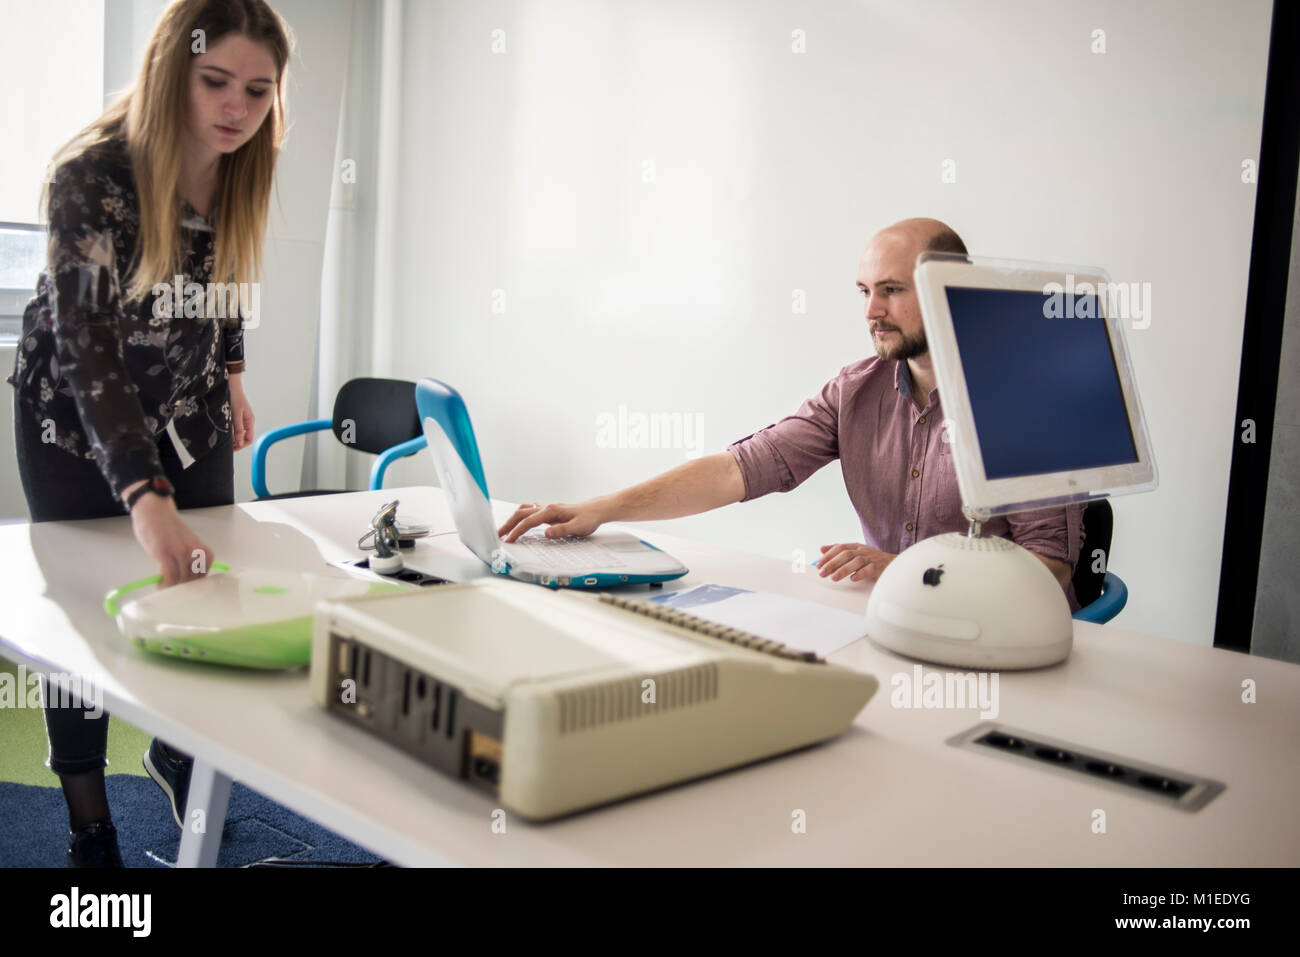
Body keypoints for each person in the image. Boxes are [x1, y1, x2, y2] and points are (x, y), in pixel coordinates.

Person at [7, 0, 292, 866]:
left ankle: (179, 751)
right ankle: (90, 824)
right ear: (173, 67)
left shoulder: (245, 165)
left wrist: (233, 377)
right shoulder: (91, 177)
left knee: (207, 589)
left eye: (257, 89)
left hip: (190, 408)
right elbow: (87, 346)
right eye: (215, 82)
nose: (236, 108)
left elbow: (228, 275)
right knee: (80, 624)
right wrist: (144, 494)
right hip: (74, 421)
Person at [499, 218, 1085, 604]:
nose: (871, 311)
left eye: (892, 290)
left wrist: (899, 570)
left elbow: (1049, 575)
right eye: (864, 292)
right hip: (886, 623)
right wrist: (602, 508)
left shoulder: (1020, 403)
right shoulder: (856, 391)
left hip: (989, 643)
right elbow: (738, 470)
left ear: (953, 289)